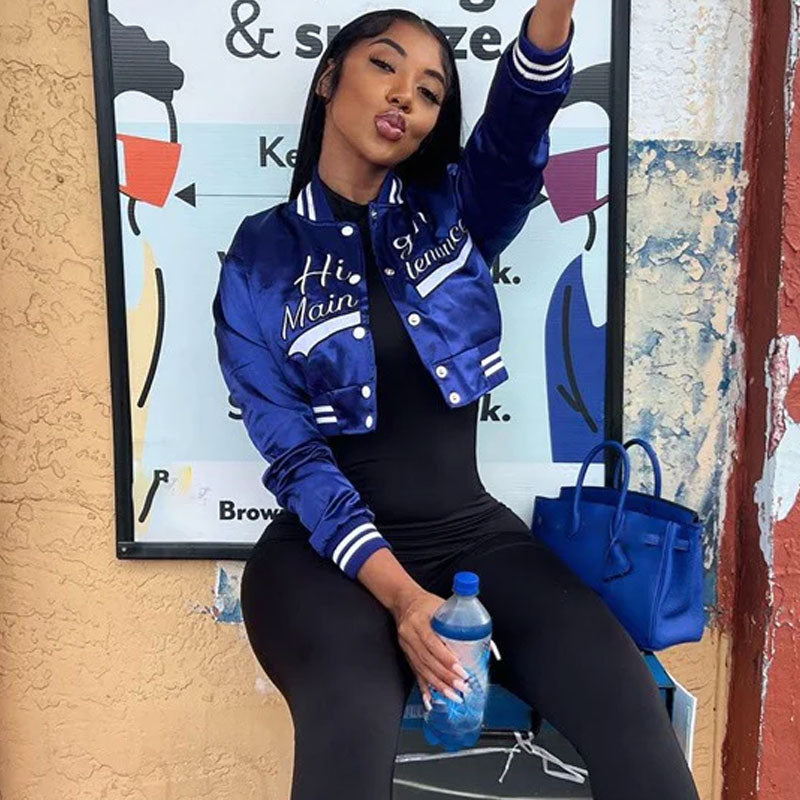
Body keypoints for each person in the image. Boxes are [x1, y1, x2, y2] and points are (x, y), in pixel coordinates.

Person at [212, 3, 701, 798]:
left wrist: (555, 10)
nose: (405, 95)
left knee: (631, 716)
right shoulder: (259, 261)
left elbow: (516, 130)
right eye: (384, 65)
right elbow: (295, 456)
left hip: (471, 535)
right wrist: (405, 601)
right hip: (320, 560)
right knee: (351, 724)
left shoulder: (456, 212)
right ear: (329, 78)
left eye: (431, 91)